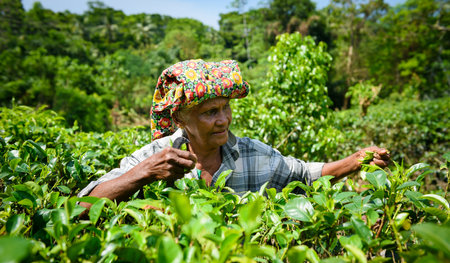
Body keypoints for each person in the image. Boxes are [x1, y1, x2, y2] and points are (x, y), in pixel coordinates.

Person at [78, 59, 390, 210]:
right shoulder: (151, 158)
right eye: (209, 112)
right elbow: (80, 208)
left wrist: (354, 161)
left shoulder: (254, 155)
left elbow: (306, 174)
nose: (223, 120)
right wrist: (142, 175)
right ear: (181, 118)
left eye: (225, 108)